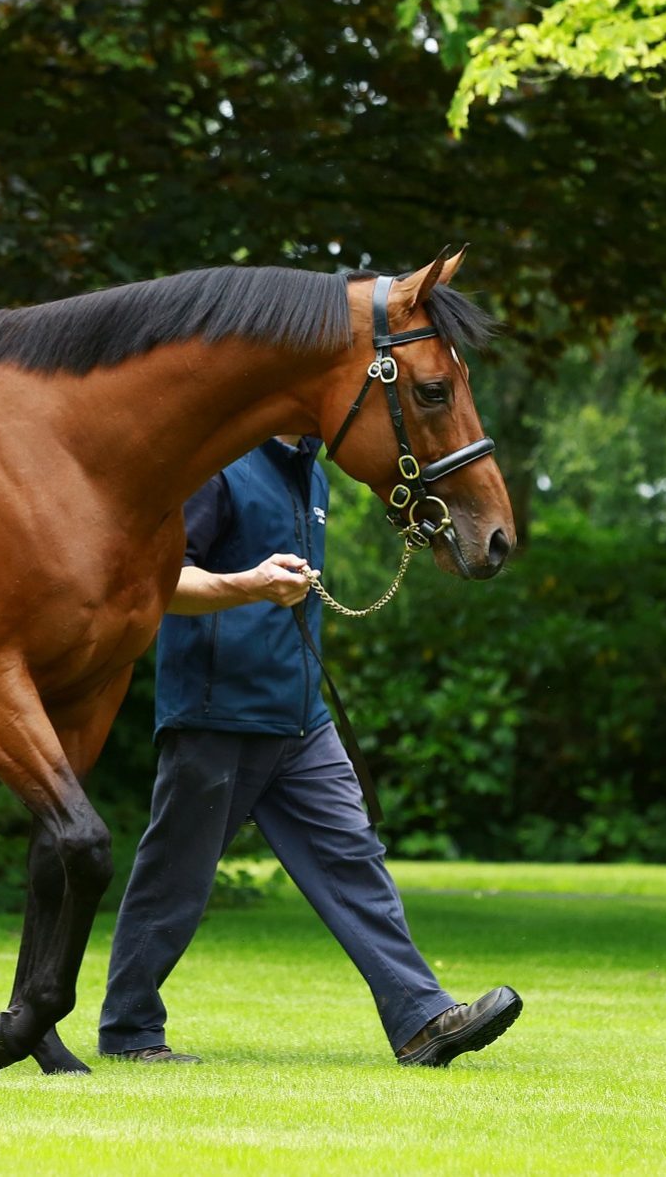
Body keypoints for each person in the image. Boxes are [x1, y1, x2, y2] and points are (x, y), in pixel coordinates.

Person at [97, 434, 521, 1067]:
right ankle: (129, 1031)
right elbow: (161, 583)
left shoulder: (313, 475)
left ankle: (423, 1020)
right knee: (176, 877)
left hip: (301, 720)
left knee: (354, 859)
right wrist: (250, 584)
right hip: (218, 713)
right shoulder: (217, 466)